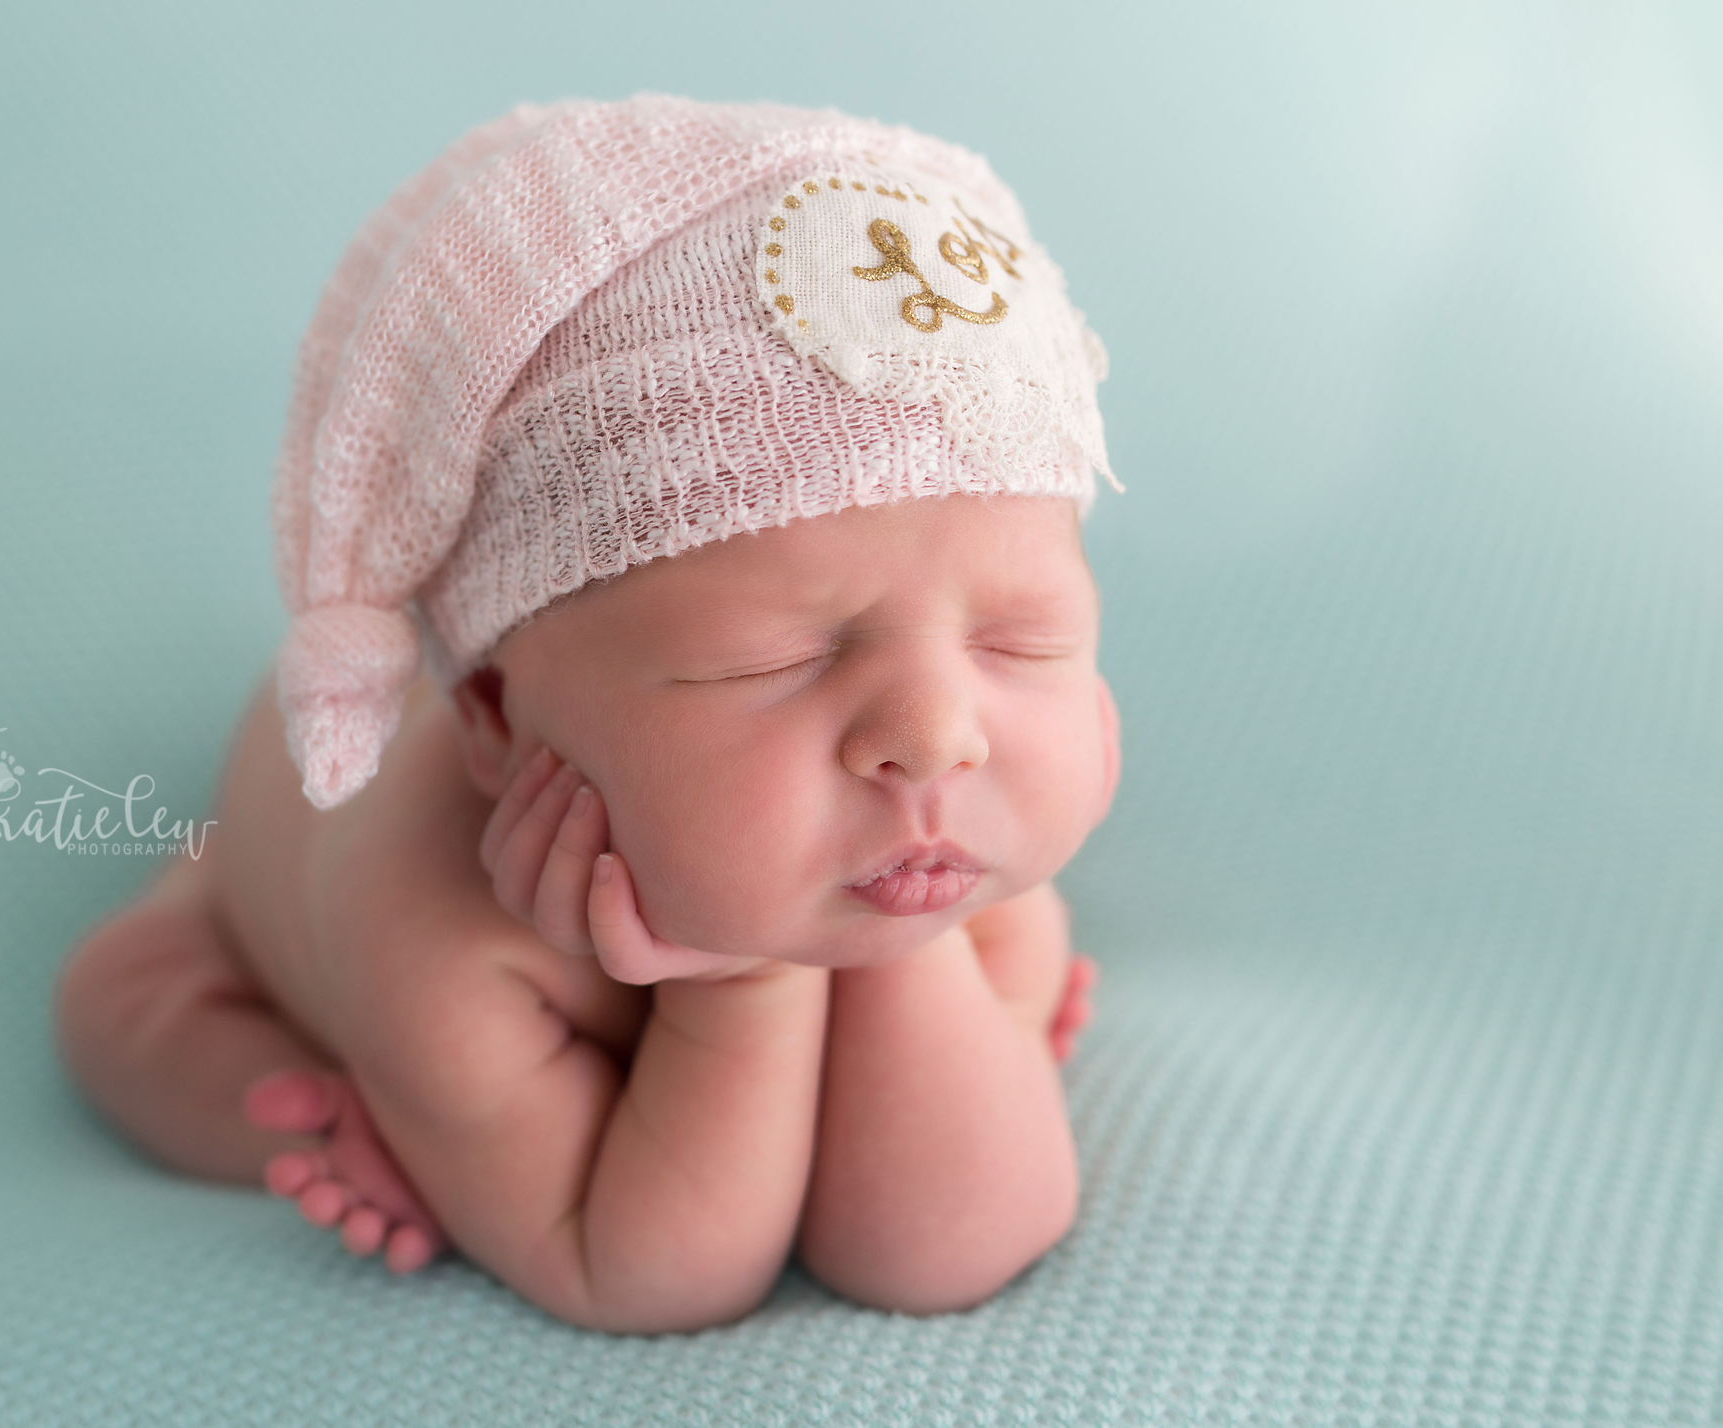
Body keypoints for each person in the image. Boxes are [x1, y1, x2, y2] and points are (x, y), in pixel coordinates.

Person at [55, 95, 1120, 1334]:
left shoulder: (944, 848)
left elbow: (943, 1249)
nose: (939, 734)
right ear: (503, 720)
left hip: (801, 881)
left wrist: (915, 957)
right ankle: (371, 1111)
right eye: (772, 661)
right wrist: (744, 986)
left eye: (1021, 641)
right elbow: (650, 1276)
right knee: (122, 1007)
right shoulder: (445, 947)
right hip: (258, 884)